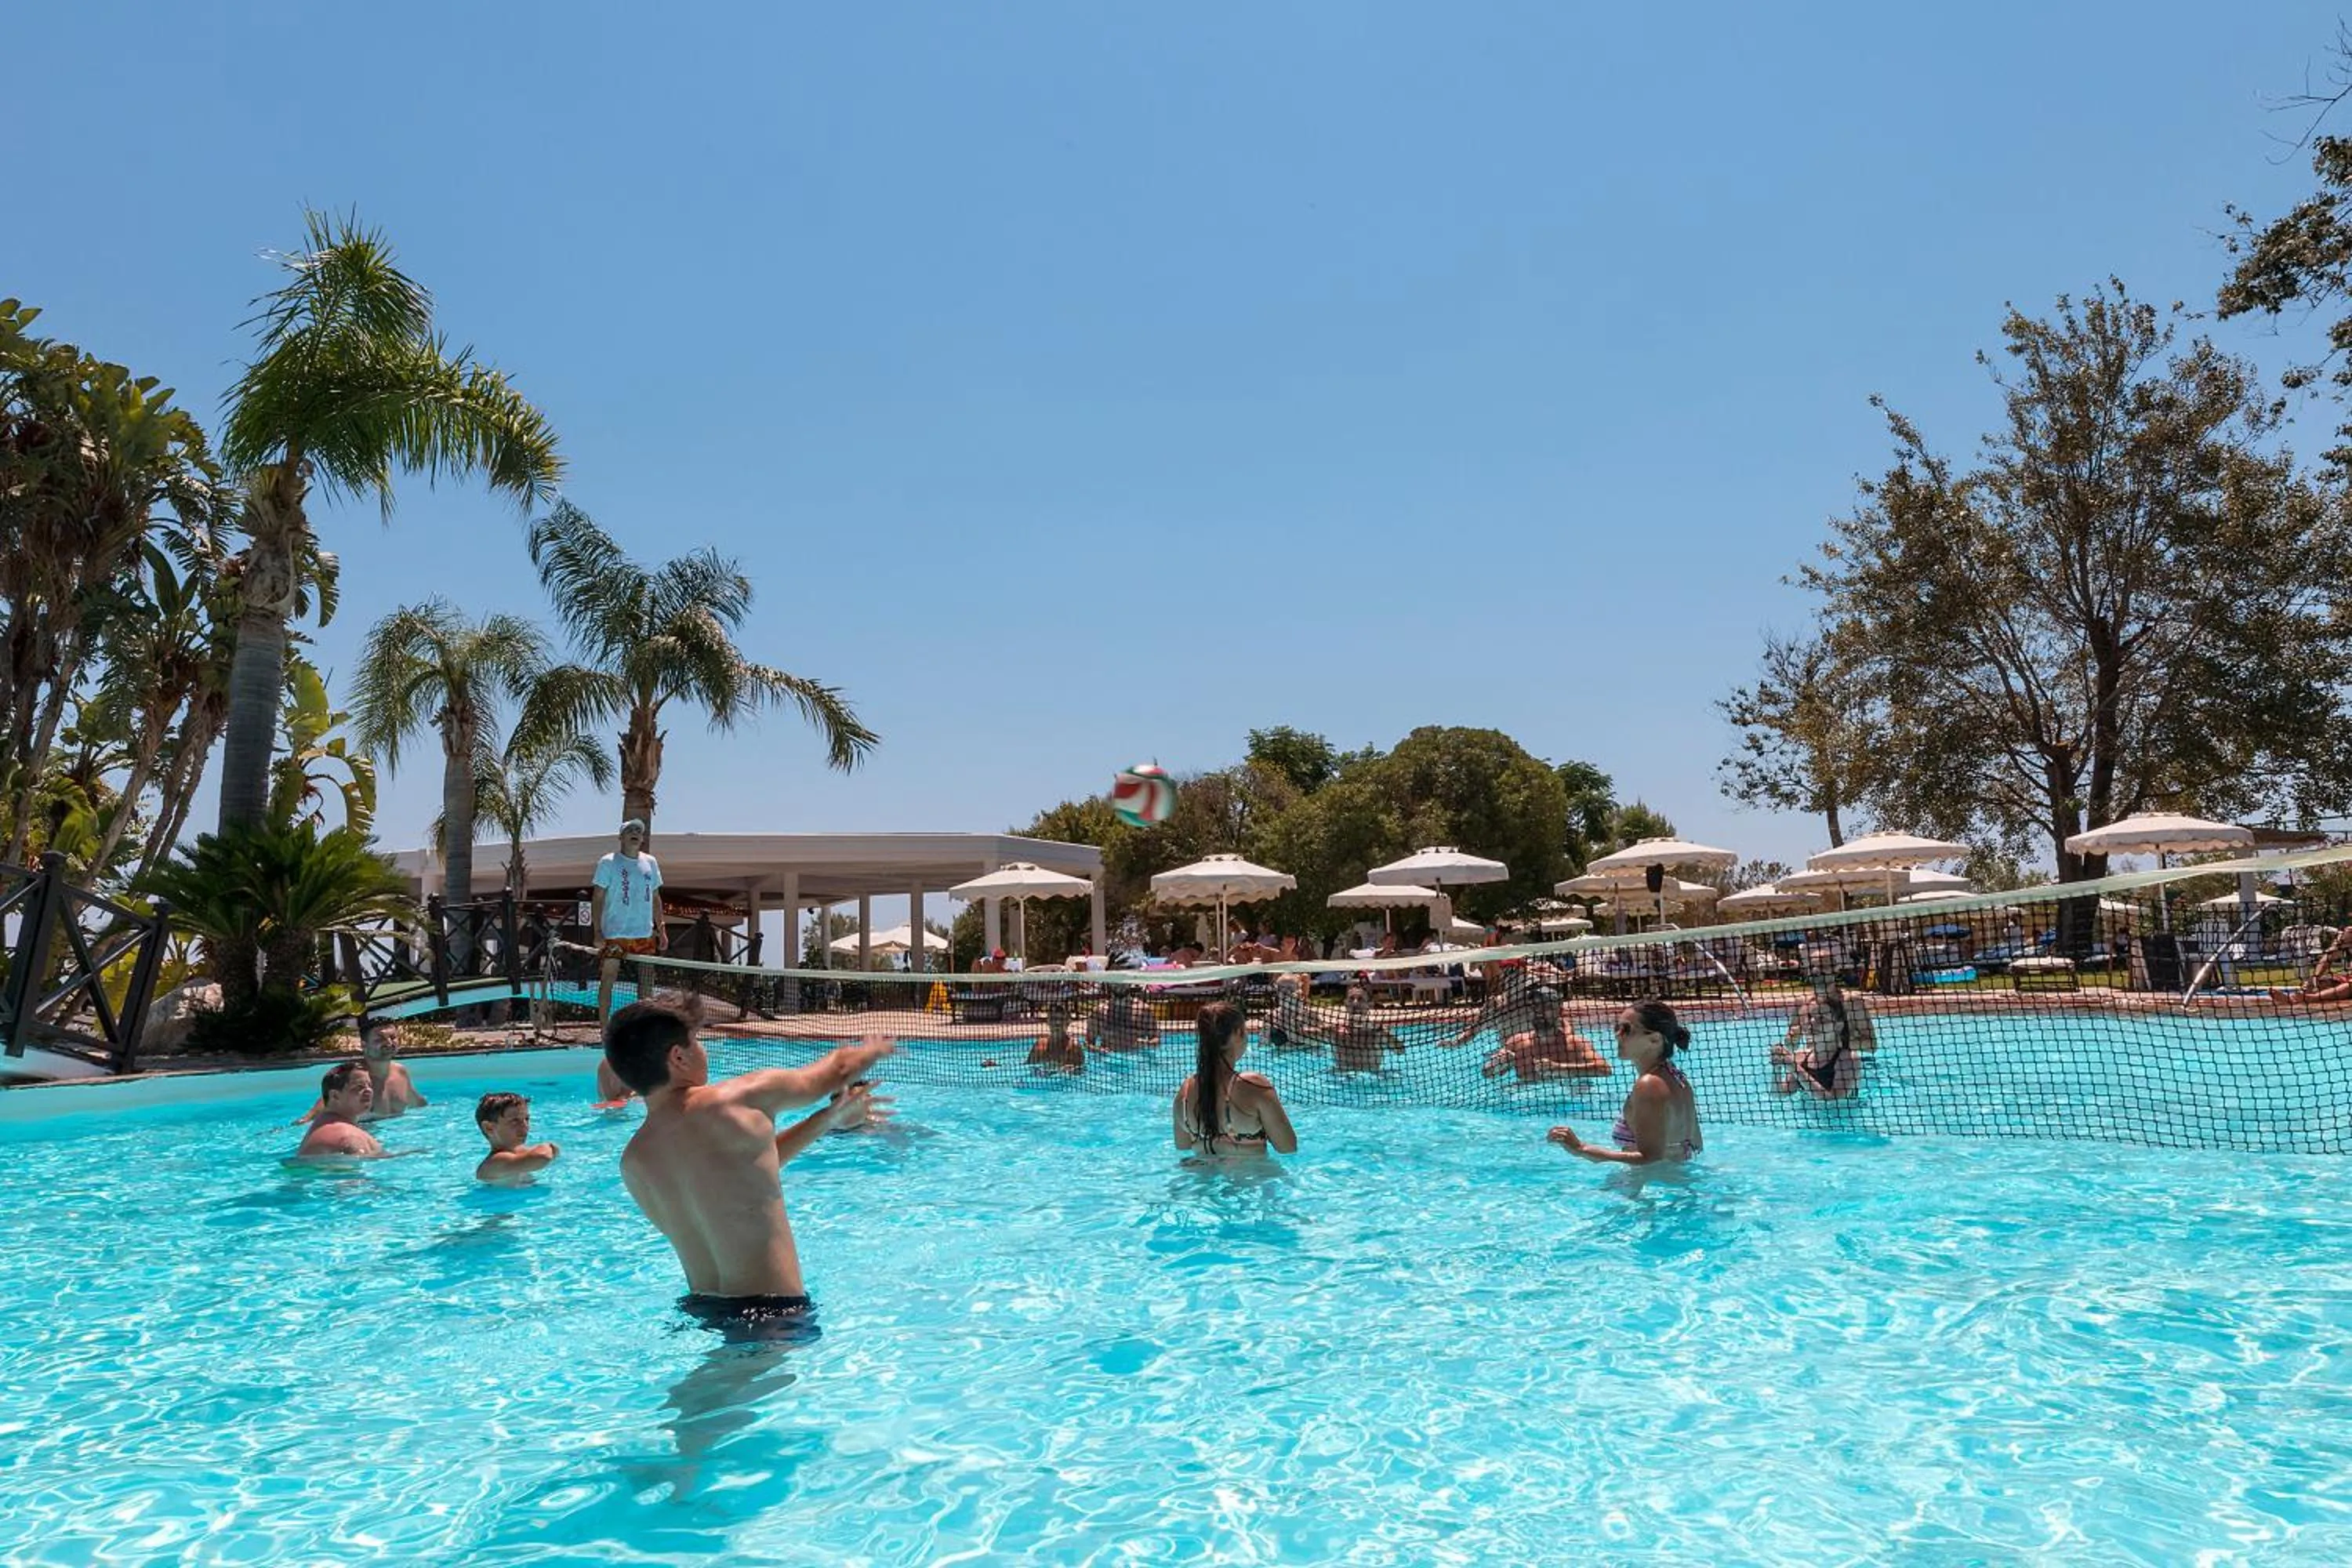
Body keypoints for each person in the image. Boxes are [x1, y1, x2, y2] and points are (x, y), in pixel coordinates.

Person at [604, 997, 895, 1339]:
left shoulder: (634, 1161)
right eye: (697, 1042)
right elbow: (832, 1074)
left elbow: (748, 1170)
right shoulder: (738, 1099)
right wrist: (875, 1048)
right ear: (678, 1057)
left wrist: (827, 1119)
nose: (703, 1051)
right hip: (772, 1314)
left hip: (702, 1309)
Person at [1548, 997, 1701, 1166]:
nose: (1617, 1035)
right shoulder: (1676, 1077)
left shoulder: (1649, 1084)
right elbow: (1696, 1145)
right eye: (1617, 1027)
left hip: (1652, 1185)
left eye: (1626, 1030)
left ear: (1655, 1040)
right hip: (1671, 1180)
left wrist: (1581, 1148)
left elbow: (1650, 1158)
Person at [1174, 1000, 1297, 1156]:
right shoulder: (1253, 1085)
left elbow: (1183, 1146)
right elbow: (1287, 1147)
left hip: (1200, 1176)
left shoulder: (1184, 1092)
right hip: (1253, 1178)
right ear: (1238, 1033)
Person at [592, 818, 666, 1032]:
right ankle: (604, 1028)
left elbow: (656, 896)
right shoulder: (608, 862)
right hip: (615, 934)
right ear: (621, 837)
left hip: (644, 935)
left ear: (642, 838)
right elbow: (597, 897)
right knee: (608, 979)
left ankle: (644, 1028)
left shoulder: (650, 862)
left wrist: (661, 929)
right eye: (630, 830)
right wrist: (598, 932)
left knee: (646, 984)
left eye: (639, 831)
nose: (635, 833)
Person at [1771, 972, 1876, 1098]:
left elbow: (1833, 1100)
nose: (1812, 1022)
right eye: (1810, 1017)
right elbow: (1779, 1095)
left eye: (1822, 1019)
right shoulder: (1799, 1057)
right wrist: (1777, 1068)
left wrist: (1794, 1068)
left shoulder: (1849, 1059)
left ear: (1838, 1026)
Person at [1483, 986, 1610, 1080]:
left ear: (1560, 1011)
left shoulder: (1575, 1044)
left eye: (1547, 1007)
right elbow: (1487, 1074)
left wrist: (1560, 1068)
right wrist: (1497, 1064)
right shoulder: (1517, 1043)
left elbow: (1605, 1069)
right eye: (1535, 1006)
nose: (1539, 1011)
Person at [294, 1062, 385, 1161]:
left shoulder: (323, 1126)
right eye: (359, 1087)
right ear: (335, 1096)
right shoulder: (348, 1137)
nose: (368, 1090)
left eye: (370, 1085)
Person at [474, 1092, 561, 1183]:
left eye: (526, 1119)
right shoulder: (493, 1164)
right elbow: (542, 1157)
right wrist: (547, 1146)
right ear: (489, 1128)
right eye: (515, 1121)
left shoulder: (519, 1154)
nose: (525, 1126)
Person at [1331, 984, 1403, 1073]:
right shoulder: (1335, 1032)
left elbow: (1400, 1051)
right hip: (1341, 1078)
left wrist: (1385, 1035)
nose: (1355, 1003)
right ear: (1345, 1004)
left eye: (1360, 999)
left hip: (1373, 1079)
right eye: (1351, 999)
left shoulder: (1379, 1033)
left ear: (1370, 1005)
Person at [2271, 927, 2352, 1004]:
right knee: (2320, 982)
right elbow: (2327, 959)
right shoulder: (2348, 934)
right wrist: (2315, 979)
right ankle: (2293, 998)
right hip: (2348, 978)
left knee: (2349, 986)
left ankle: (2313, 998)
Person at [1086, 985, 1161, 1052]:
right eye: (1116, 982)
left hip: (1136, 1059)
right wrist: (1099, 1050)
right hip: (1108, 1060)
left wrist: (1146, 1043)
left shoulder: (1143, 1009)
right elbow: (1088, 1044)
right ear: (1109, 983)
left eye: (1123, 982)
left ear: (1129, 983)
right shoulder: (1099, 1011)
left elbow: (1156, 1040)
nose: (1120, 985)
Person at [1027, 999, 1086, 1071]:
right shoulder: (1040, 1045)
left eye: (1061, 1019)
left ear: (1068, 1022)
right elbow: (1028, 1067)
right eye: (1054, 1019)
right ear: (1048, 1021)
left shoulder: (1074, 1047)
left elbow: (1081, 1071)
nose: (1057, 1023)